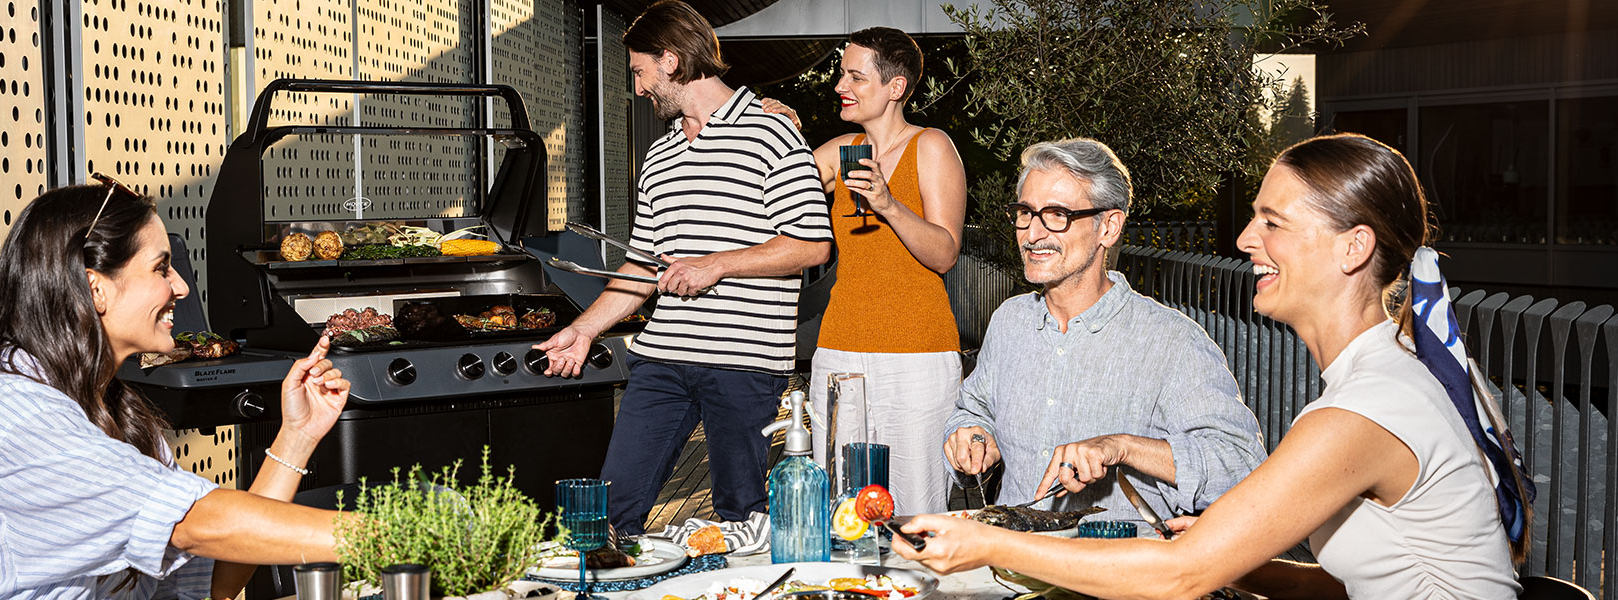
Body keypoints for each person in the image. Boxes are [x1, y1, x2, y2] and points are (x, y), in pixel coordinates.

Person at [898, 134, 1530, 600]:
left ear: (1353, 248)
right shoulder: (1379, 380)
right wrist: (1236, 560)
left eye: (1272, 222)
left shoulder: (1365, 409)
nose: (1244, 239)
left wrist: (986, 542)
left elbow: (1182, 575)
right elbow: (1366, 584)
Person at [0, 178, 354, 600]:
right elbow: (195, 525)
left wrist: (297, 436)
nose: (181, 287)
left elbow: (220, 575)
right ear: (96, 288)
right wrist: (385, 535)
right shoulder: (17, 416)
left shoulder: (113, 411)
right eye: (161, 268)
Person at [533, 0, 831, 535]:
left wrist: (714, 265)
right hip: (662, 359)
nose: (638, 88)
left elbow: (811, 244)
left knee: (742, 516)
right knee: (610, 512)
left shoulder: (773, 134)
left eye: (639, 71)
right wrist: (584, 329)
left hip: (744, 363)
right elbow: (640, 266)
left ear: (670, 61)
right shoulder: (659, 156)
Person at [940, 138, 1264, 524]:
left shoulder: (1172, 342)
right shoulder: (1009, 321)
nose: (1032, 234)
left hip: (1113, 560)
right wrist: (974, 435)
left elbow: (1243, 467)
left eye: (1057, 214)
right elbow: (973, 409)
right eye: (1025, 212)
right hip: (1008, 551)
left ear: (1108, 227)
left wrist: (1123, 447)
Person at [758, 27, 967, 517]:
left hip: (917, 355)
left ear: (896, 87)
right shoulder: (841, 150)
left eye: (855, 76)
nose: (840, 86)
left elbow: (945, 253)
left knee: (915, 507)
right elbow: (772, 190)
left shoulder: (931, 146)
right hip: (839, 350)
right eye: (841, 74)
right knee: (841, 504)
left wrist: (888, 204)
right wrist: (781, 134)